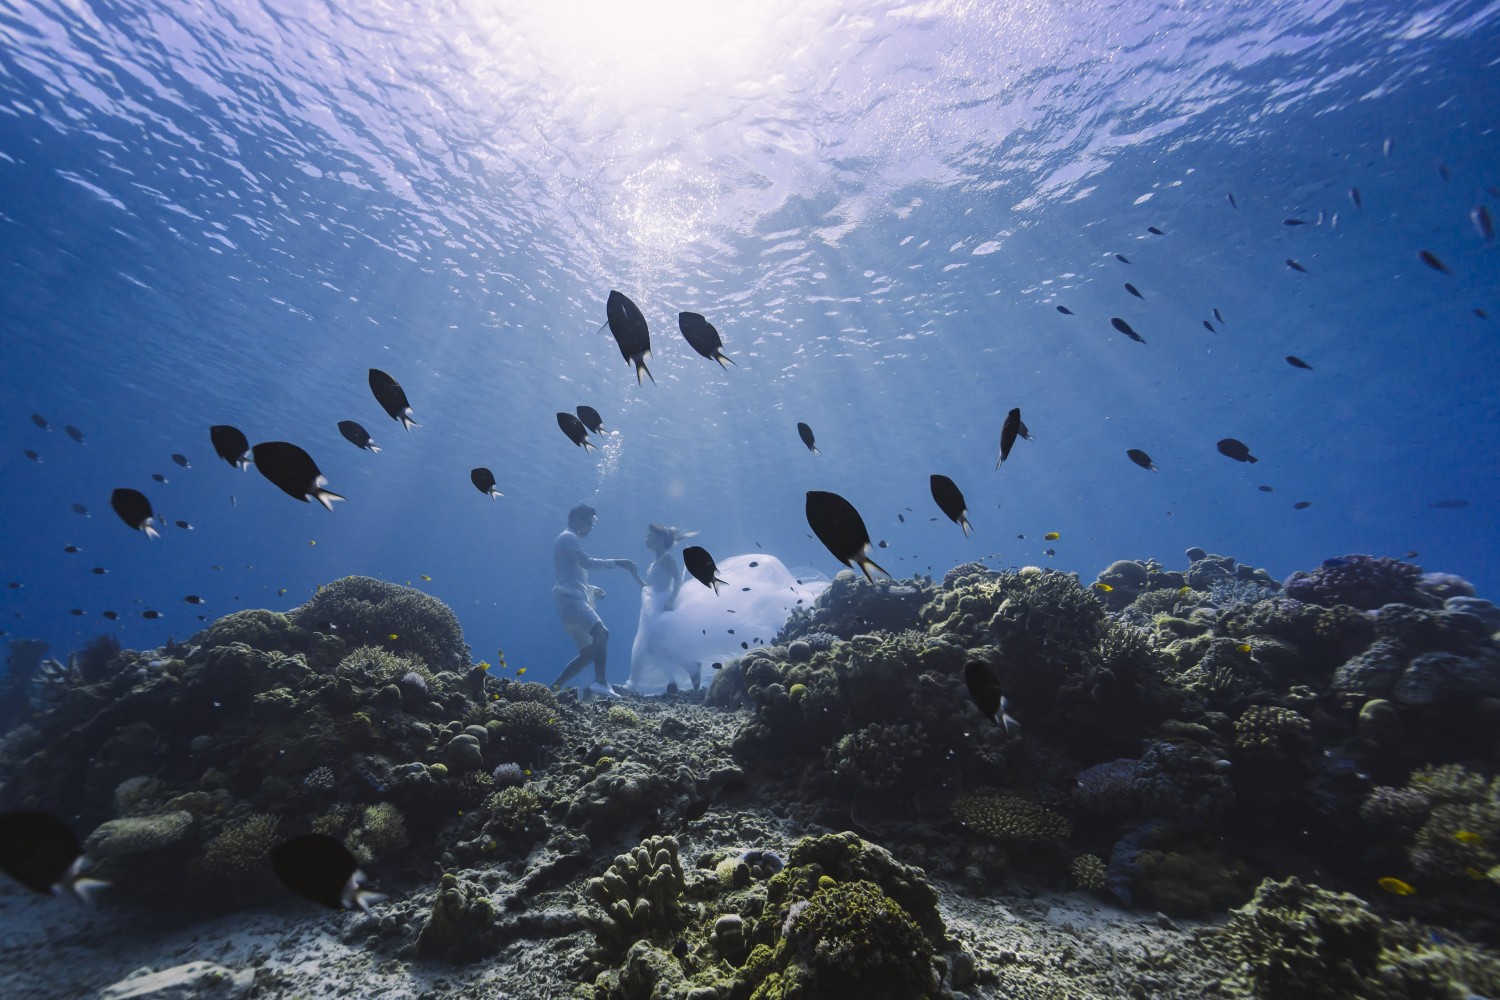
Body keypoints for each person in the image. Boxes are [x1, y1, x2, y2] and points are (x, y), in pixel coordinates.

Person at [548, 503, 645, 698]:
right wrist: (620, 563)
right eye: (589, 524)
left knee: (588, 654)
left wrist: (591, 590)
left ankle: (553, 689)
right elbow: (587, 562)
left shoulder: (566, 539)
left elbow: (570, 577)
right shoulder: (568, 537)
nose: (590, 528)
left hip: (568, 605)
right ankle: (601, 682)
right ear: (576, 519)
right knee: (601, 633)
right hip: (572, 603)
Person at [624, 524, 699, 693]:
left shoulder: (666, 558)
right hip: (653, 607)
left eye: (650, 535)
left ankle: (689, 669)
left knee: (658, 645)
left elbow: (678, 580)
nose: (646, 539)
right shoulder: (654, 563)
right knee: (654, 647)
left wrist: (671, 601)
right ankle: (679, 675)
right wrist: (633, 573)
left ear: (659, 539)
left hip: (664, 605)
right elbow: (647, 588)